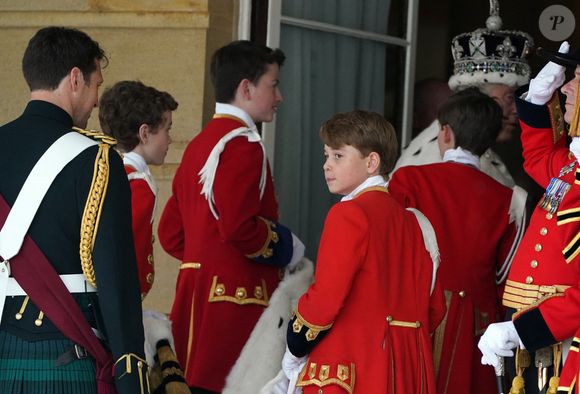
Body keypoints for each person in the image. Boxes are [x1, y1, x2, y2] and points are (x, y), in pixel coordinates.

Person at [0, 27, 147, 393]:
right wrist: (130, 372)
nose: (97, 101)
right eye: (97, 85)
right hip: (66, 351)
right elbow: (116, 278)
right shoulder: (97, 160)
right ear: (76, 79)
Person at [157, 40, 303, 393]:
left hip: (193, 298)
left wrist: (207, 258)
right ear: (246, 88)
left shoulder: (200, 143)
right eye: (273, 85)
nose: (279, 96)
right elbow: (238, 228)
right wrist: (288, 248)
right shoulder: (243, 145)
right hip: (235, 300)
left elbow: (170, 234)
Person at [281, 110, 445, 393]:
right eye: (326, 155)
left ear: (372, 162)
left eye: (338, 156)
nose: (326, 166)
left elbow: (325, 300)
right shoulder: (417, 223)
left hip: (354, 368)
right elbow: (436, 309)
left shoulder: (348, 214)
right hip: (409, 369)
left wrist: (295, 346)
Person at [388, 88, 526, 394]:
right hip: (480, 329)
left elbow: (389, 256)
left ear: (446, 133)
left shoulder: (408, 181)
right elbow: (506, 279)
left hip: (419, 317)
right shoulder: (510, 199)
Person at [478, 42, 580, 394]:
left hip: (560, 332)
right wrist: (537, 98)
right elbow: (537, 155)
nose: (565, 87)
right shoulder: (571, 164)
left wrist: (524, 328)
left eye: (577, 78)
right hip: (531, 325)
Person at [394, 3, 534, 189]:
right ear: (477, 99)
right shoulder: (435, 158)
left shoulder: (482, 153)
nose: (517, 110)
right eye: (509, 98)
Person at [99, 80, 178, 300]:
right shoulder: (138, 183)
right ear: (144, 134)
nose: (170, 139)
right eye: (167, 129)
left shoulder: (105, 170)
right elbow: (121, 251)